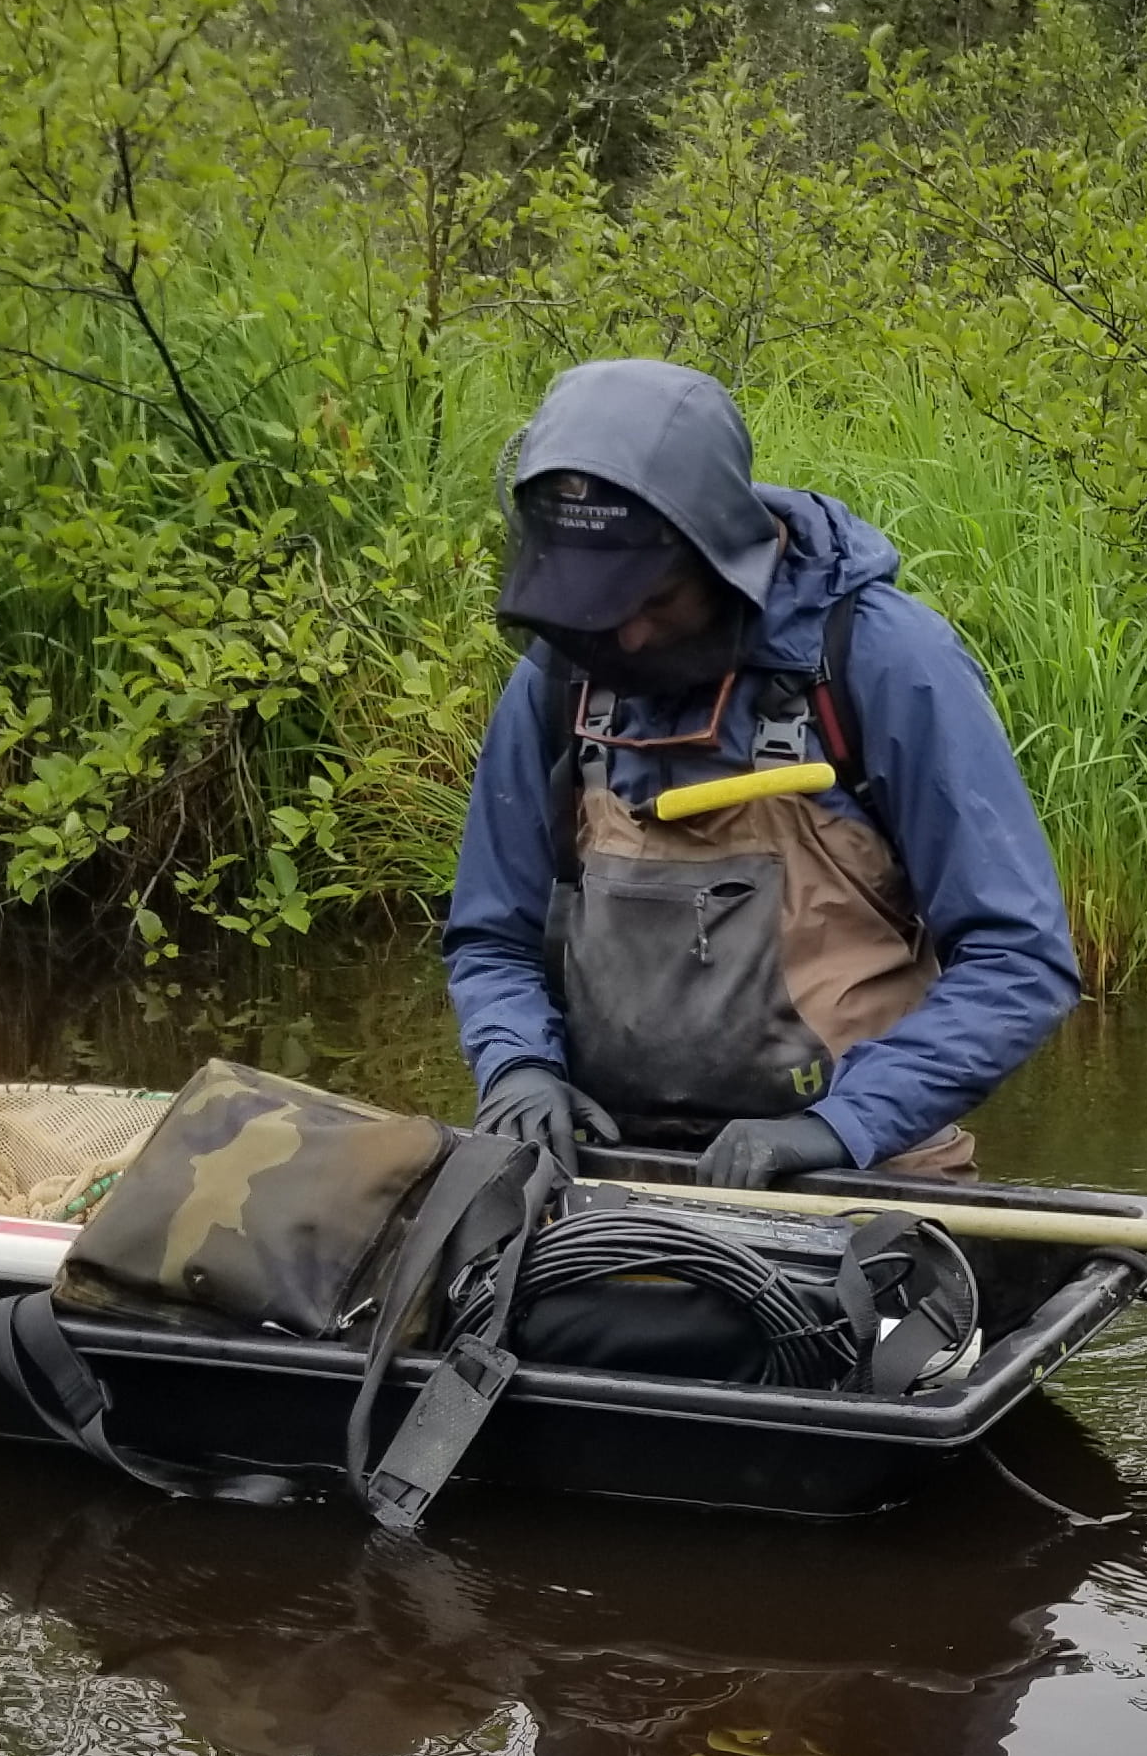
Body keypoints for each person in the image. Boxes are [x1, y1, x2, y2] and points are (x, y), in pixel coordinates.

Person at [444, 358, 1082, 1188]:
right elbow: (493, 937)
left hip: (854, 1178)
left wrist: (842, 1125)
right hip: (609, 1174)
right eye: (596, 606)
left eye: (654, 602)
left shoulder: (883, 661)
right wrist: (517, 1064)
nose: (624, 637)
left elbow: (1018, 959)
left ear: (720, 556)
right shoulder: (560, 677)